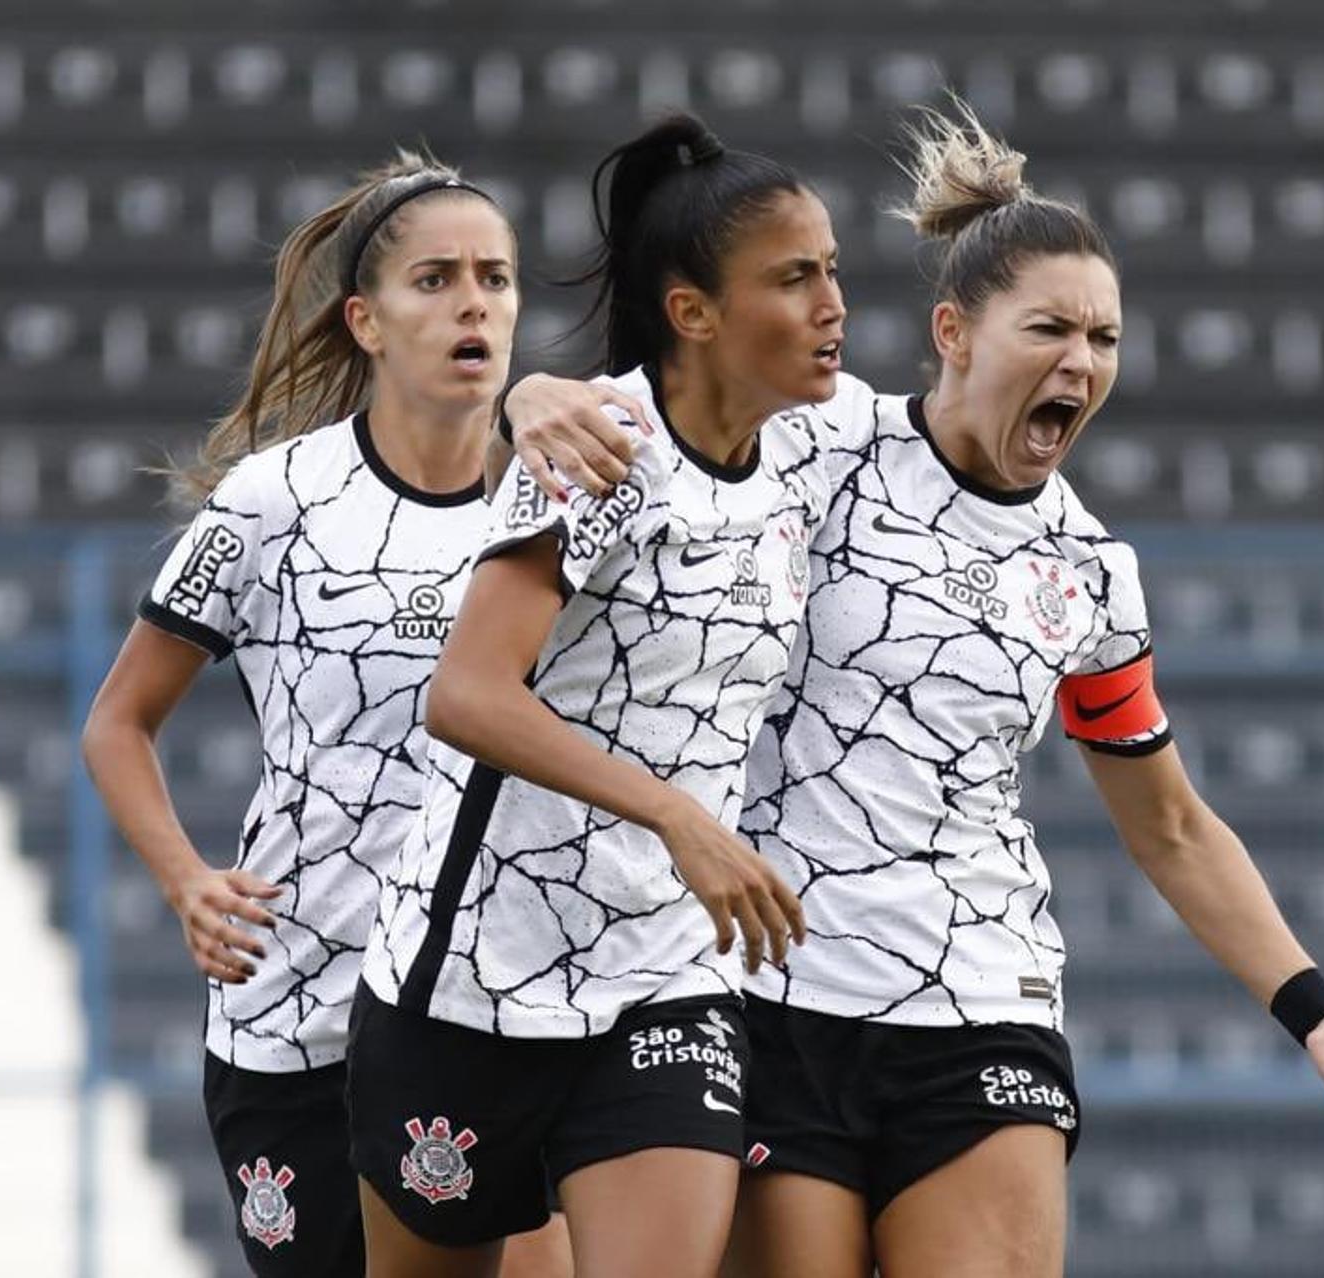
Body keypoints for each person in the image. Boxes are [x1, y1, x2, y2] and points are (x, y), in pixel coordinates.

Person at [500, 104, 1324, 1278]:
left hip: (981, 998)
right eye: (1050, 328)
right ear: (953, 331)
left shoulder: (1091, 574)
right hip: (767, 990)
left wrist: (1313, 1008)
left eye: (1105, 339)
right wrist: (528, 397)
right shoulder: (819, 438)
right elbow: (647, 416)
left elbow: (1167, 823)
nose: (1082, 362)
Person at [344, 114, 844, 1278]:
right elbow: (466, 696)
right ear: (693, 312)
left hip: (667, 985)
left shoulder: (813, 447)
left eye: (833, 272)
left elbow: (956, 420)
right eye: (795, 277)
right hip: (467, 983)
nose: (831, 303)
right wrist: (674, 814)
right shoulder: (604, 450)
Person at [80, 153, 570, 1278]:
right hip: (299, 1012)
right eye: (436, 279)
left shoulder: (558, 507)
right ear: (366, 320)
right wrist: (187, 881)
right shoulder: (273, 502)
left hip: (491, 1008)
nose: (474, 304)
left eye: (495, 279)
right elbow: (118, 723)